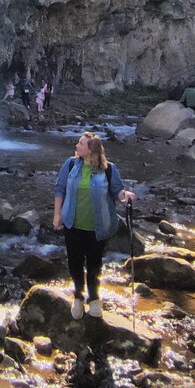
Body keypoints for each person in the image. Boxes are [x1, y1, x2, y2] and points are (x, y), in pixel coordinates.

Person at [53, 132, 135, 320]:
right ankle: (78, 296)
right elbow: (59, 189)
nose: (77, 145)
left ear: (91, 150)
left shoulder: (109, 169)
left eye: (81, 143)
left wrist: (126, 195)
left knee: (94, 263)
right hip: (72, 223)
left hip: (98, 226)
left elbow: (117, 192)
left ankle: (95, 298)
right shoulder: (71, 164)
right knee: (74, 262)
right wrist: (57, 215)